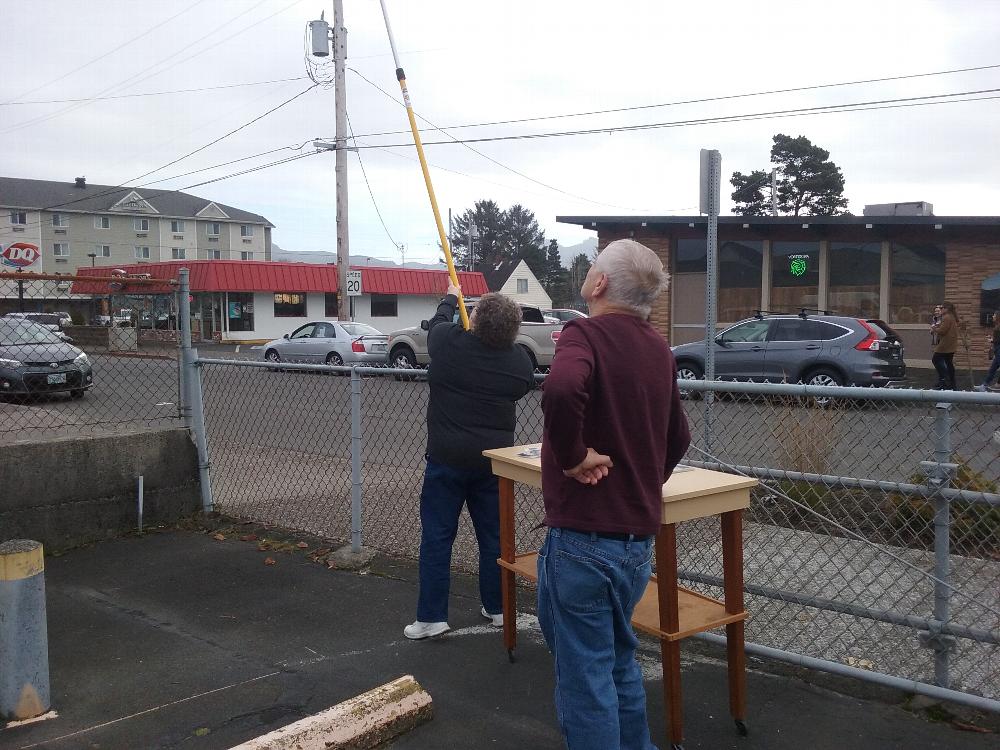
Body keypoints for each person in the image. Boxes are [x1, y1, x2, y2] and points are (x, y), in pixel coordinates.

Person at [537, 239, 691, 750]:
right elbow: (679, 437)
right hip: (635, 544)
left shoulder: (583, 334)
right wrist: (643, 481)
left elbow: (562, 388)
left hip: (582, 541)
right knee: (619, 662)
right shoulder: (659, 350)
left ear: (599, 283)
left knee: (585, 677)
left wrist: (572, 456)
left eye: (593, 266)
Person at [404, 285, 534, 640]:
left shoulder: (449, 345)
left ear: (476, 320)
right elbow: (522, 386)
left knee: (437, 537)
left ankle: (432, 617)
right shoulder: (518, 361)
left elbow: (438, 323)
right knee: (494, 538)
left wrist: (451, 296)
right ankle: (498, 607)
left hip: (446, 460)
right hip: (493, 463)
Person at [930, 302, 959, 391]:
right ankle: (951, 383)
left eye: (942, 308)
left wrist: (935, 328)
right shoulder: (952, 317)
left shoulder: (946, 317)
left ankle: (945, 379)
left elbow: (943, 331)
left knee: (935, 359)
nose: (940, 310)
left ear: (947, 309)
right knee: (949, 363)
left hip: (945, 344)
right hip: (951, 344)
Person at [973, 311, 1000, 391]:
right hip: (997, 350)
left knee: (993, 369)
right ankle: (984, 385)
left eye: (994, 315)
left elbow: (998, 340)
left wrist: (992, 340)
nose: (993, 316)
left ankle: (997, 384)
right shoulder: (997, 326)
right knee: (992, 369)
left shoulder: (998, 327)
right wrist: (992, 339)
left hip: (999, 350)